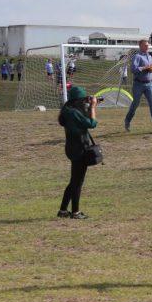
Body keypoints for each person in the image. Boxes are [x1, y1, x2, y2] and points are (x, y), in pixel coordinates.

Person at [57, 85, 99, 219]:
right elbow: (92, 123)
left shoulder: (69, 110)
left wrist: (89, 107)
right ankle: (75, 212)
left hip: (72, 147)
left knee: (74, 181)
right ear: (78, 100)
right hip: (79, 149)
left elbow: (83, 121)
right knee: (77, 182)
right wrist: (92, 107)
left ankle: (63, 210)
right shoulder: (73, 112)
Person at [124, 40, 152, 133]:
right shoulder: (137, 57)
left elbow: (151, 67)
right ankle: (127, 120)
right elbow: (133, 70)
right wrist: (144, 68)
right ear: (140, 46)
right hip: (138, 84)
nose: (147, 47)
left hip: (149, 84)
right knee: (135, 105)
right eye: (145, 45)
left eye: (148, 45)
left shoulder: (150, 56)